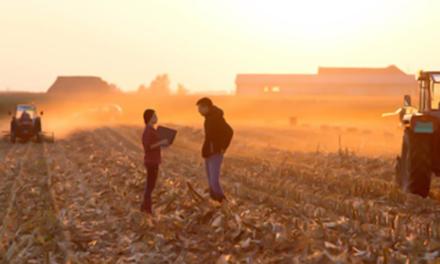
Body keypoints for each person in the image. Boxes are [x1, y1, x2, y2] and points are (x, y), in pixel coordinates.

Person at [196, 97, 233, 202]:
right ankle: (215, 202)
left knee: (214, 181)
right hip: (209, 152)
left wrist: (223, 147)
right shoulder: (209, 118)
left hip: (215, 153)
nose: (198, 111)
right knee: (210, 181)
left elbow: (230, 132)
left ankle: (223, 202)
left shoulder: (217, 118)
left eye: (200, 108)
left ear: (206, 107)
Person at [141, 109, 169, 215]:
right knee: (150, 186)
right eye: (154, 116)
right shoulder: (148, 131)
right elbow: (148, 147)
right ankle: (147, 209)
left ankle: (144, 207)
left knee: (151, 185)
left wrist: (163, 143)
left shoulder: (152, 130)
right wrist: (161, 142)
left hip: (154, 160)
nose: (156, 117)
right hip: (151, 161)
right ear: (150, 118)